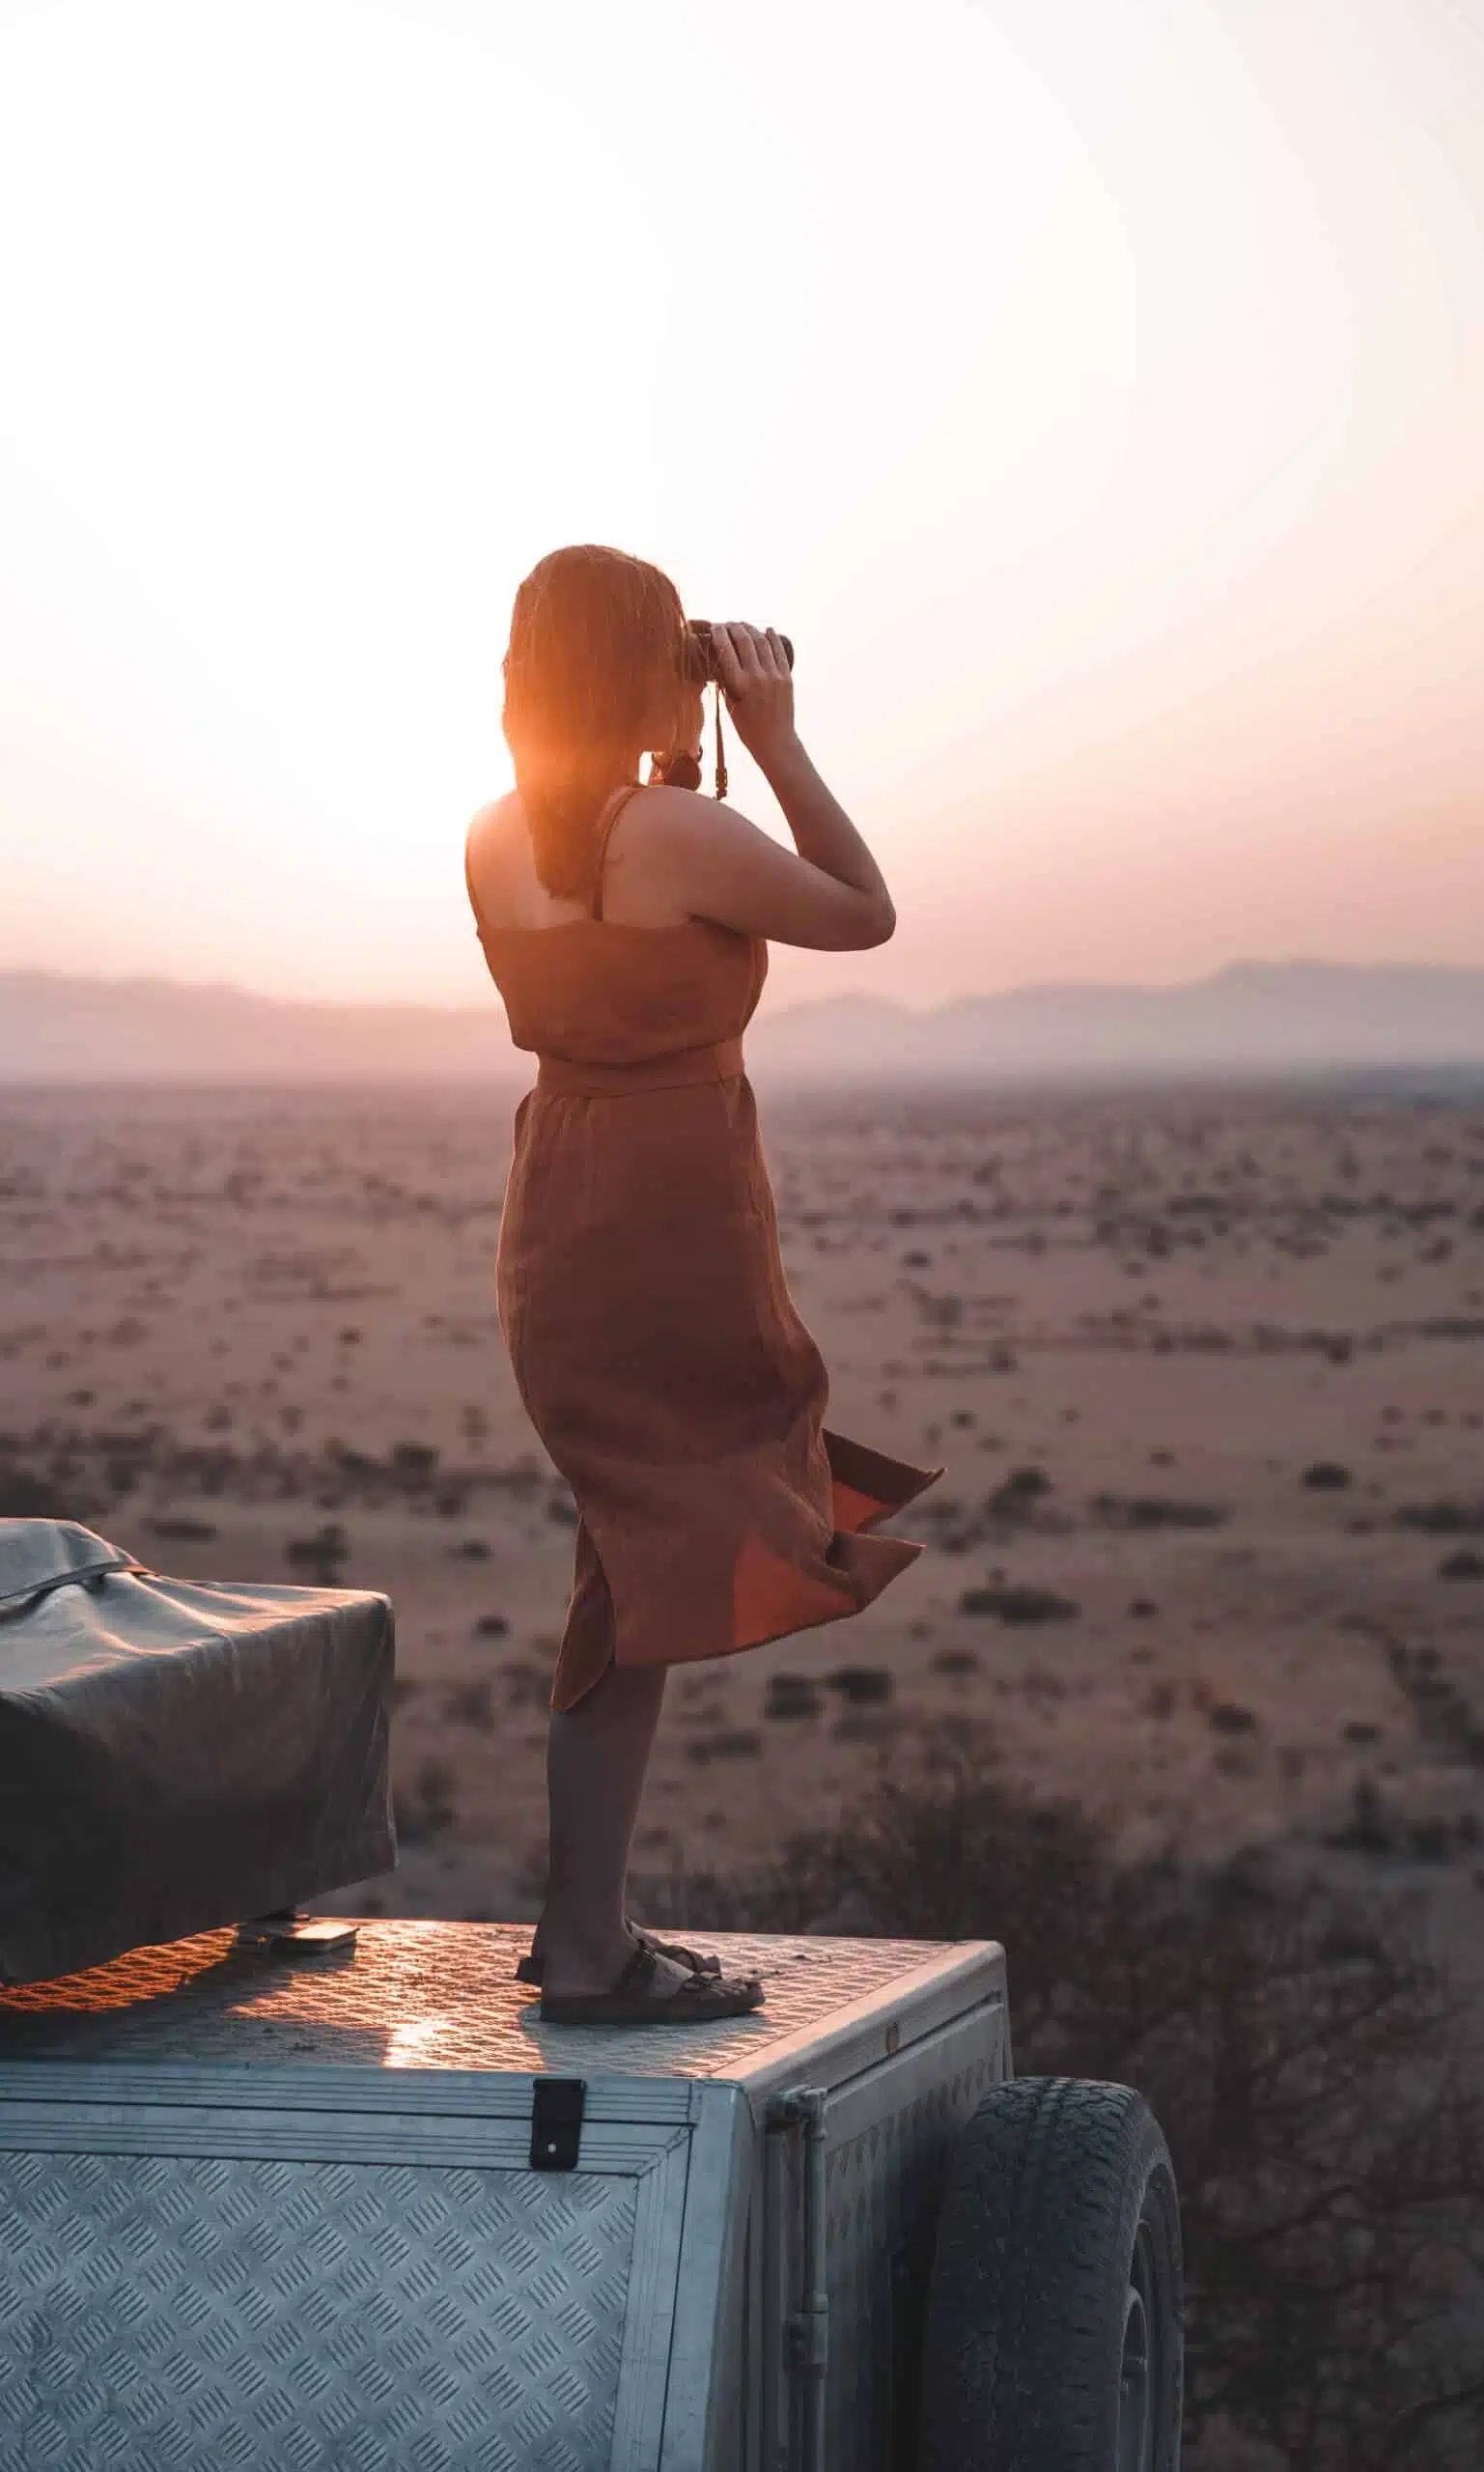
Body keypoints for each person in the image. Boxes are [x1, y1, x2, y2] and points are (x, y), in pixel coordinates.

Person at [464, 545, 944, 2024]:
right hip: (676, 1208)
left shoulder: (493, 836)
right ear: (647, 664)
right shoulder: (673, 830)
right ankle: (588, 1943)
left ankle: (588, 1925)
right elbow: (861, 910)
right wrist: (777, 736)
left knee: (624, 1550)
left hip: (561, 1202)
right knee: (642, 1550)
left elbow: (624, 888)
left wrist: (684, 752)